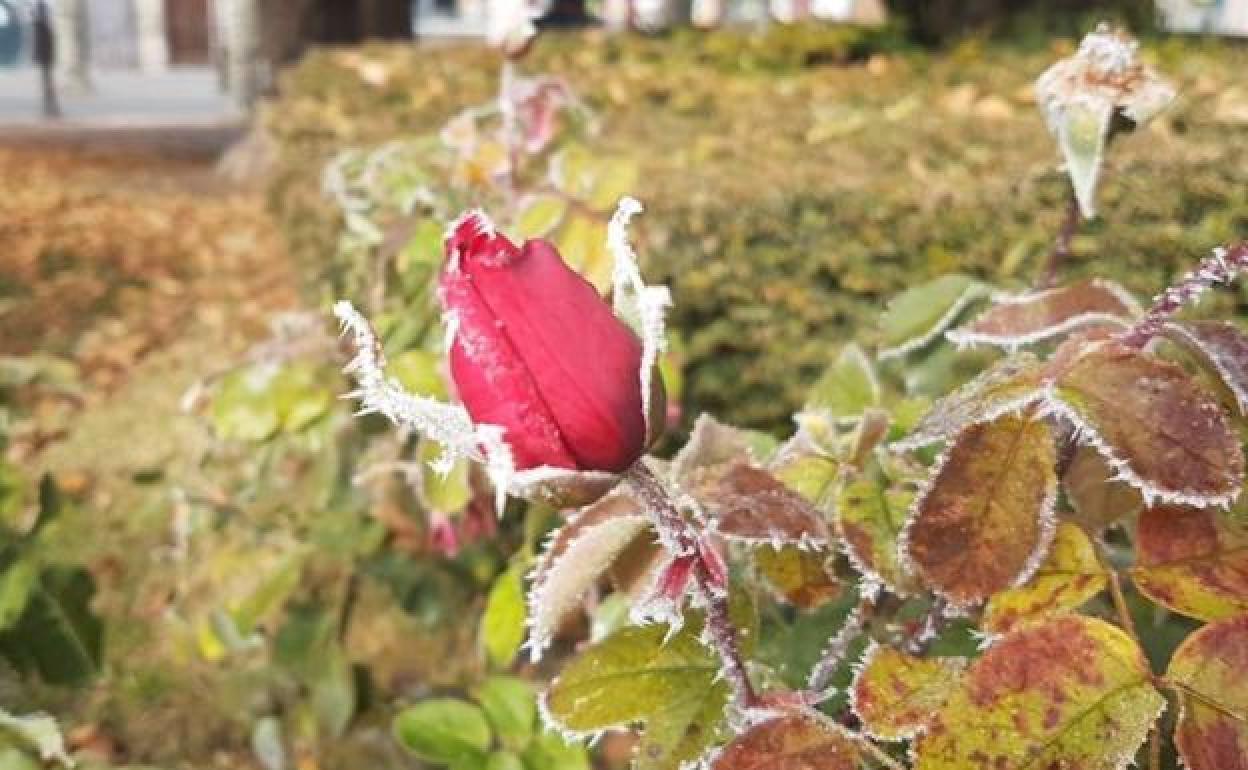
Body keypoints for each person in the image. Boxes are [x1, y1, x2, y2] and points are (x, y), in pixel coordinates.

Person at [33, 0, 59, 118]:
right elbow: (42, 41)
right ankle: (50, 107)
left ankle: (50, 107)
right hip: (46, 56)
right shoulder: (43, 24)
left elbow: (38, 41)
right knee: (47, 83)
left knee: (47, 83)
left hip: (45, 56)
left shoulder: (40, 23)